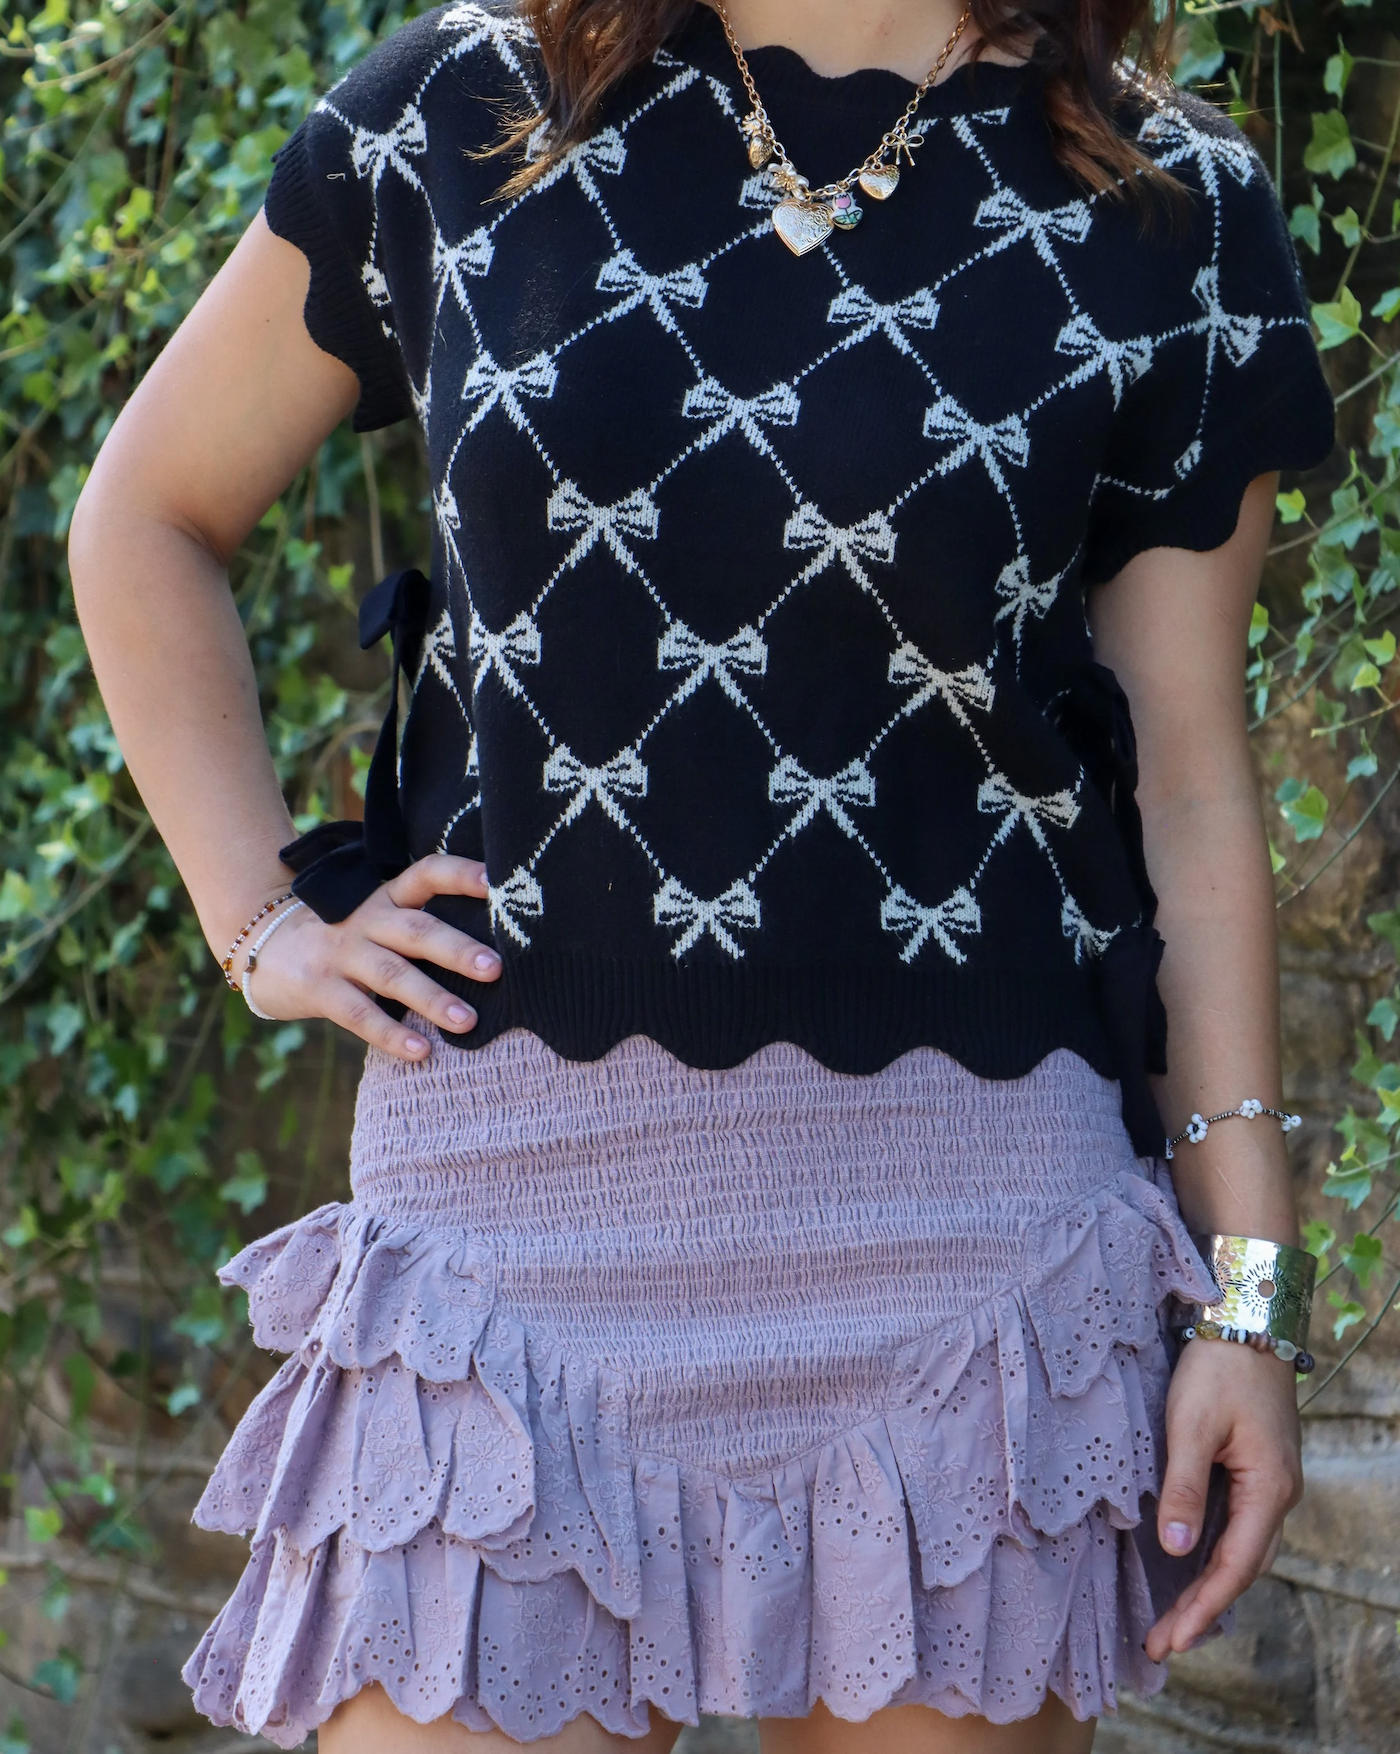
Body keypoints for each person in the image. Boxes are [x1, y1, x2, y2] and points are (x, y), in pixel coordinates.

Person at [67, 0, 1335, 1743]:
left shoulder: (1168, 204)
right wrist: (258, 914)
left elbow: (1190, 772)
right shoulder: (460, 113)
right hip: (501, 1254)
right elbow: (146, 513)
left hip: (969, 1272)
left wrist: (1249, 1295)